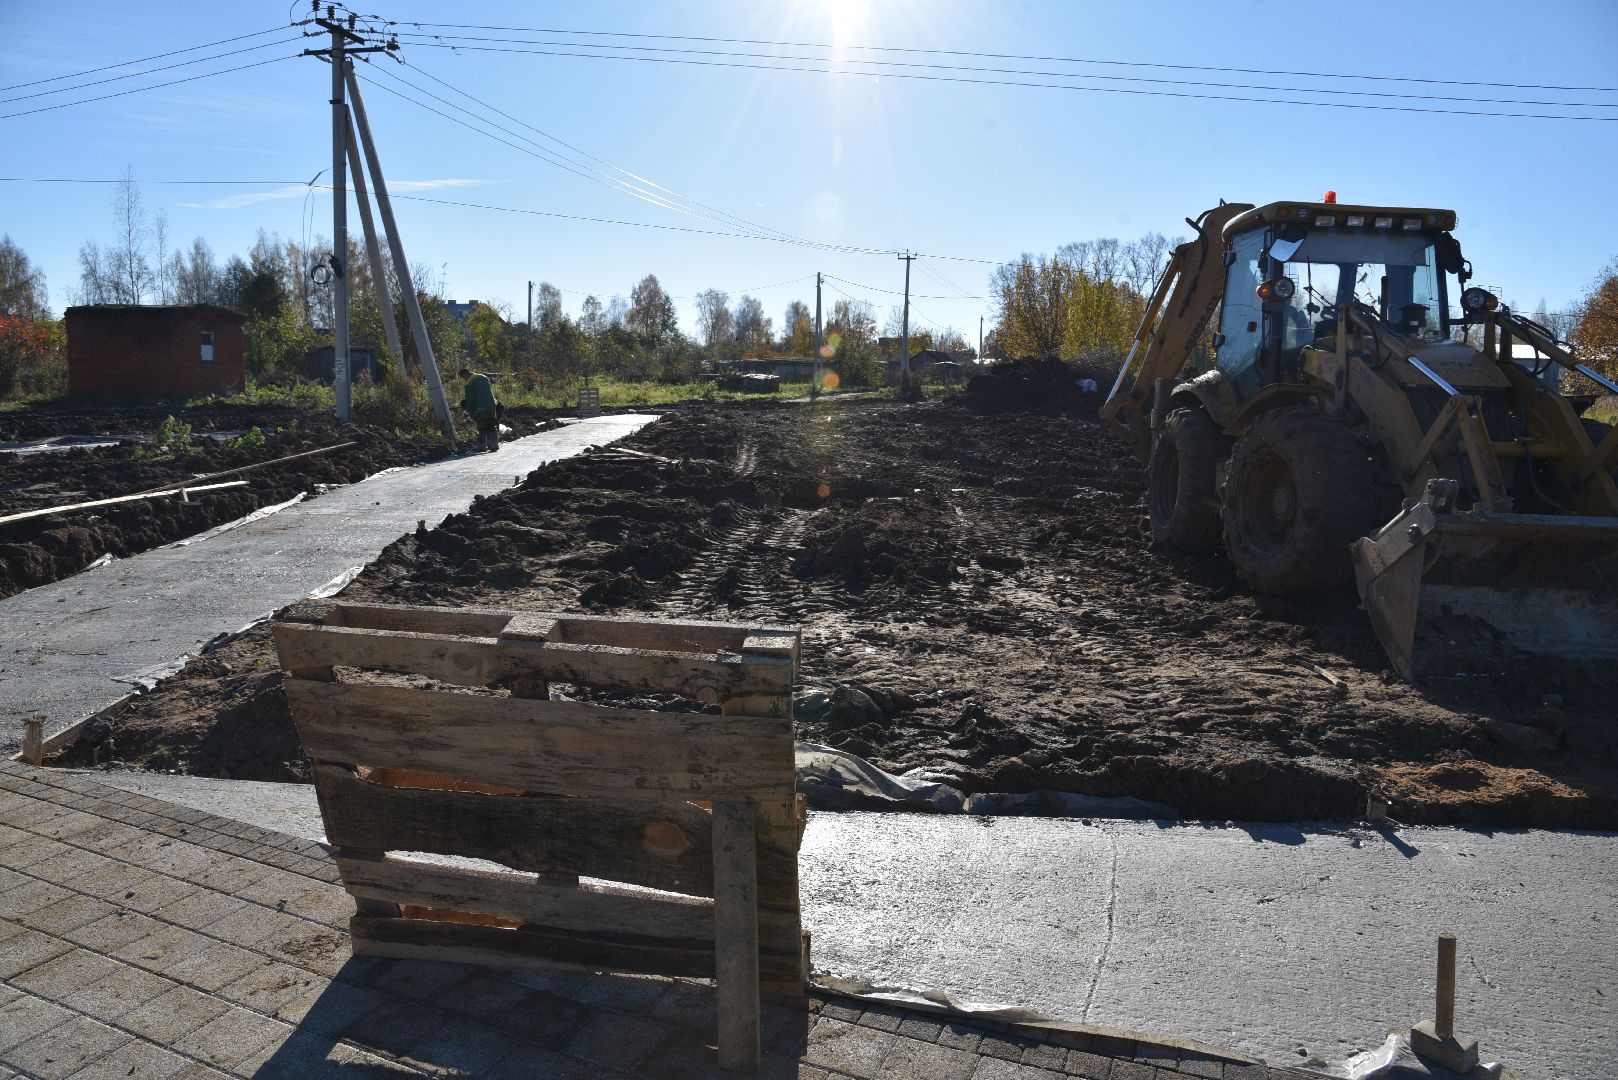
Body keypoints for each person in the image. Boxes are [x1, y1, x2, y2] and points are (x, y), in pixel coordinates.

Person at [458, 367, 500, 452]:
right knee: (492, 424)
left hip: (480, 407)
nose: (463, 379)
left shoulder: (469, 383)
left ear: (465, 374)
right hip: (491, 404)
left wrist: (470, 409)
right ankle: (494, 445)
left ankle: (482, 446)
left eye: (462, 377)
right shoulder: (483, 377)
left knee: (481, 427)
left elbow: (470, 398)